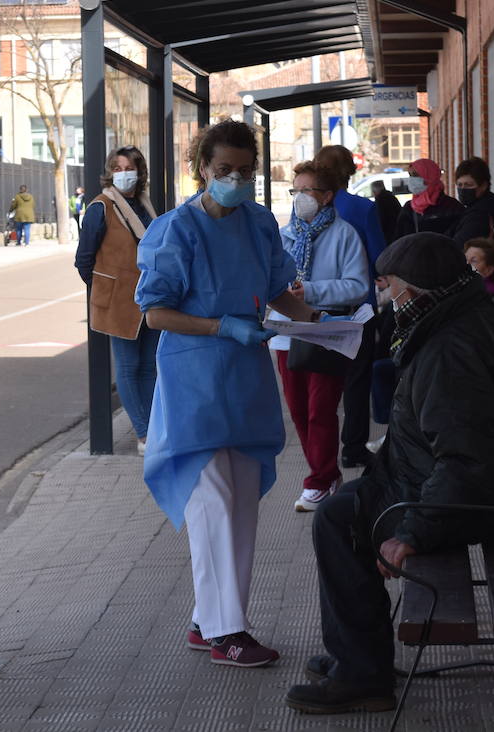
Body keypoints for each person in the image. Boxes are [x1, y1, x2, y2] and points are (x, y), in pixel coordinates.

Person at [286, 232, 494, 714]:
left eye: (389, 286)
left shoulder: (452, 350)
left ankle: (362, 674)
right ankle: (359, 659)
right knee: (343, 509)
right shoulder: (472, 317)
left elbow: (471, 462)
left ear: (412, 292)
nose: (386, 297)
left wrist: (413, 532)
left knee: (338, 521)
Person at [137, 119, 322, 668]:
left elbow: (278, 289)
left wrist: (324, 320)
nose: (236, 180)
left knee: (240, 504)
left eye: (245, 171)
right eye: (224, 171)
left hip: (243, 383)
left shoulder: (259, 222)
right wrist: (222, 326)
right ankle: (226, 631)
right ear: (201, 168)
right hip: (194, 384)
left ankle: (207, 619)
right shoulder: (175, 230)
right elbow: (154, 313)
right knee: (213, 502)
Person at [268, 161, 370, 513]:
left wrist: (310, 291)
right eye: (294, 190)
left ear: (326, 196)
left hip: (326, 332)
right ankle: (326, 476)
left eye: (306, 190)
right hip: (286, 333)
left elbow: (358, 286)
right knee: (298, 411)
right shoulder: (284, 235)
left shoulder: (344, 235)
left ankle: (319, 480)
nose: (299, 198)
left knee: (320, 411)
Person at [75, 147, 159, 454]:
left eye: (130, 166)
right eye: (118, 167)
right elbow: (84, 259)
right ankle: (143, 433)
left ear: (139, 171)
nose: (124, 172)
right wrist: (105, 291)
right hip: (119, 302)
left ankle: (154, 427)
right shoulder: (101, 206)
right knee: (128, 366)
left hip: (149, 297)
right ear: (110, 172)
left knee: (149, 366)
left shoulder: (144, 204)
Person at [314, 145, 386, 470]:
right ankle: (353, 447)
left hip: (317, 307)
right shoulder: (362, 208)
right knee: (357, 381)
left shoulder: (309, 206)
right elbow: (379, 258)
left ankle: (321, 451)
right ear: (349, 171)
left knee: (322, 382)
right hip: (359, 308)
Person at [392, 158, 463, 240]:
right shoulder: (409, 208)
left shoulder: (452, 207)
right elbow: (399, 241)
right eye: (410, 175)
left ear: (430, 176)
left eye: (415, 175)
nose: (411, 179)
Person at [449, 156, 494, 248]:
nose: (463, 189)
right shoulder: (475, 207)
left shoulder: (480, 213)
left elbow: (458, 246)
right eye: (460, 185)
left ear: (483, 186)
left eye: (468, 185)